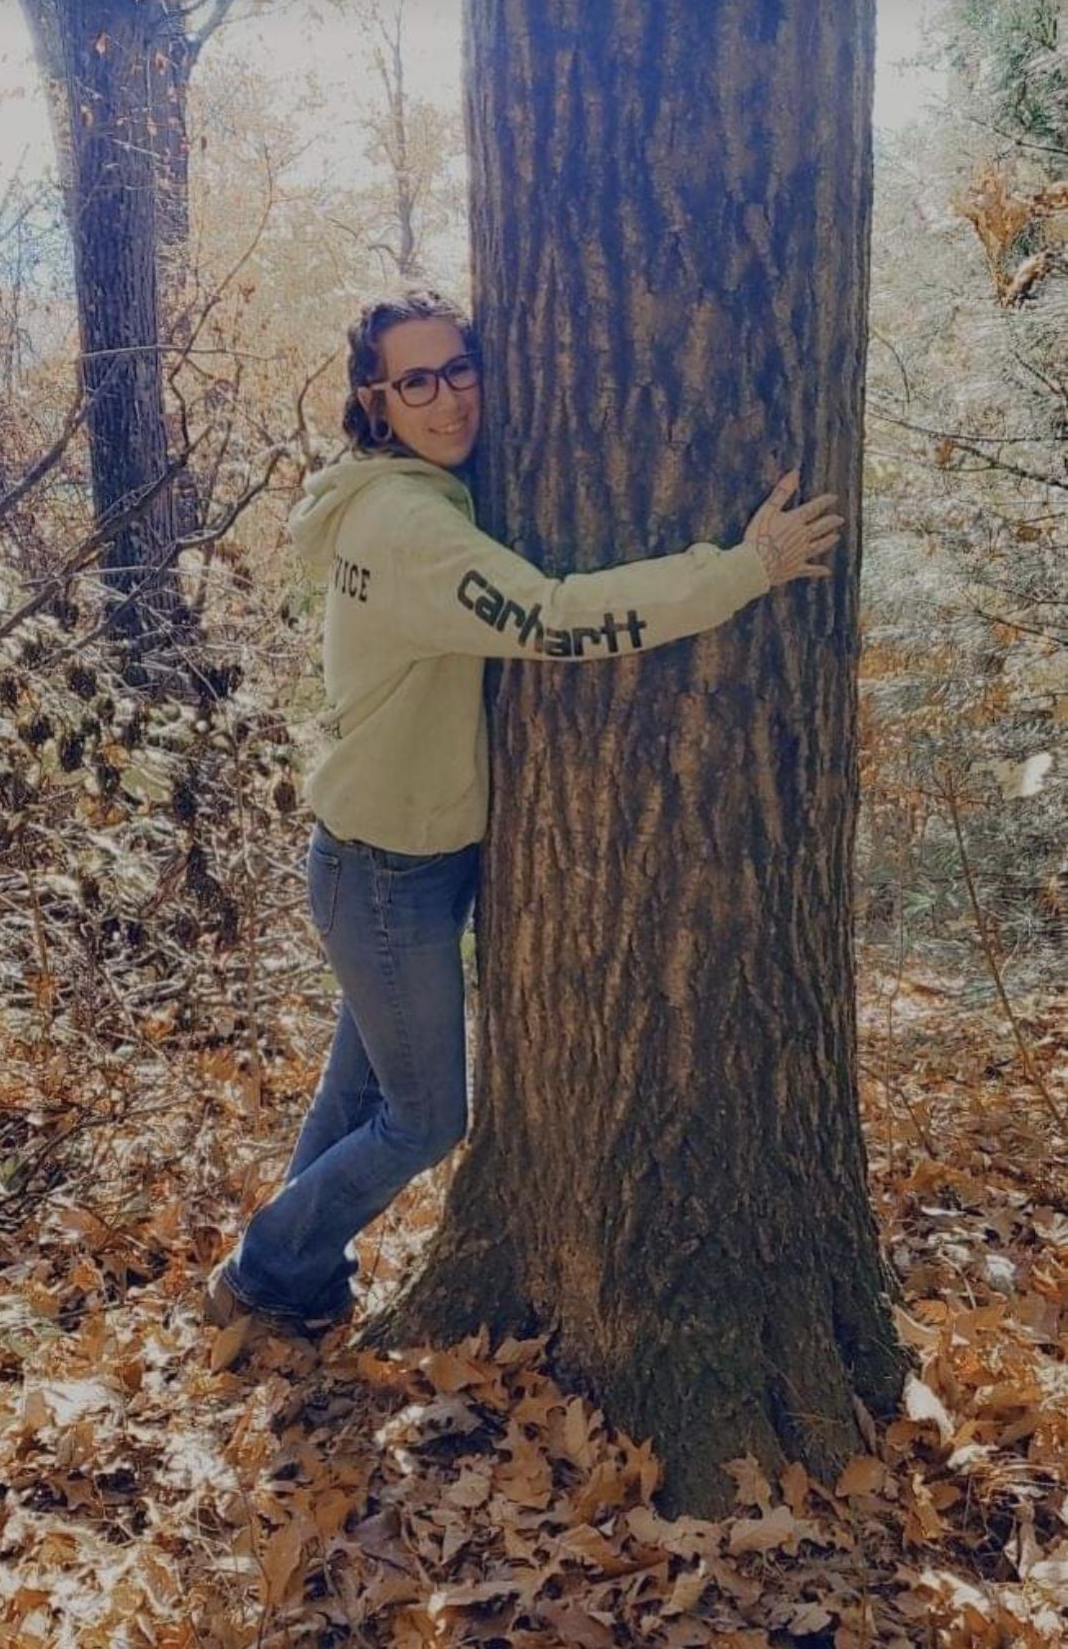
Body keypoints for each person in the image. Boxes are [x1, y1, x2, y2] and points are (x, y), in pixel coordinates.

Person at [202, 285, 847, 1345]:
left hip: (392, 850)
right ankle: (268, 1265)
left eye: (460, 368)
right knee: (421, 1118)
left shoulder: (388, 491)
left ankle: (289, 1281)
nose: (450, 398)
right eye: (417, 380)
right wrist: (743, 571)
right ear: (375, 399)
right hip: (385, 871)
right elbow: (551, 616)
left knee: (355, 1090)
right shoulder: (410, 524)